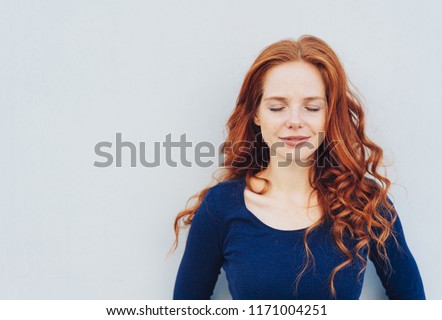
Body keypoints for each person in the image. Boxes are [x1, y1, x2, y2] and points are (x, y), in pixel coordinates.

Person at [171, 35, 425, 299]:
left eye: (312, 107)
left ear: (329, 115)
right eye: (277, 107)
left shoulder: (365, 203)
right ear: (256, 114)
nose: (294, 121)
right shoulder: (220, 207)